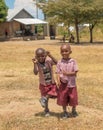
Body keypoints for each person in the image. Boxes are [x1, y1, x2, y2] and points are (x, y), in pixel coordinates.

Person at [32, 48, 58, 116]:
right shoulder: (37, 63)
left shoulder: (48, 61)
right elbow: (35, 72)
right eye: (38, 56)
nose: (41, 58)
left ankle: (44, 98)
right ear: (36, 57)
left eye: (42, 56)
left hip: (51, 83)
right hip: (43, 84)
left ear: (45, 55)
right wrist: (34, 64)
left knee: (54, 92)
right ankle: (46, 110)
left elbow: (57, 62)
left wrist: (50, 55)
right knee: (46, 100)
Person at [56, 44, 78, 118]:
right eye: (62, 51)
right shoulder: (59, 62)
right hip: (63, 84)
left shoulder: (73, 61)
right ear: (60, 52)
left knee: (73, 98)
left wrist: (67, 73)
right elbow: (58, 73)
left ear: (70, 52)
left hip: (72, 84)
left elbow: (75, 72)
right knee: (63, 98)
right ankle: (65, 112)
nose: (64, 53)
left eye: (66, 51)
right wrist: (58, 81)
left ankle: (74, 110)